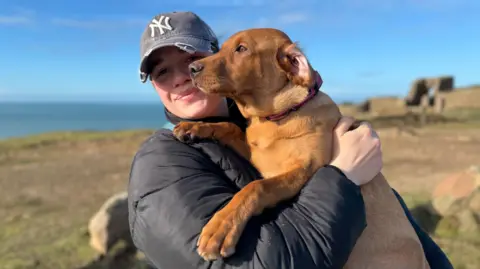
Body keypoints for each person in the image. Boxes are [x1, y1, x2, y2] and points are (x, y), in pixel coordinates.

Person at [127, 11, 453, 269]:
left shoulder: (268, 118)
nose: (185, 74)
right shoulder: (161, 161)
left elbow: (398, 218)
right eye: (161, 73)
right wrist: (343, 177)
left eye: (190, 58)